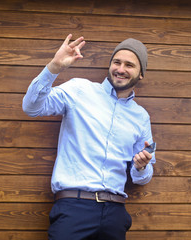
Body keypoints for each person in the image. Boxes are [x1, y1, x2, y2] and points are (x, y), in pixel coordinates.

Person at [22, 34, 156, 240]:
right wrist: (53, 67)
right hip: (74, 208)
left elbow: (142, 177)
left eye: (129, 65)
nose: (120, 69)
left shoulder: (141, 117)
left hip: (115, 213)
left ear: (141, 74)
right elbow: (31, 107)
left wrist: (141, 166)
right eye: (116, 62)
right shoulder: (79, 90)